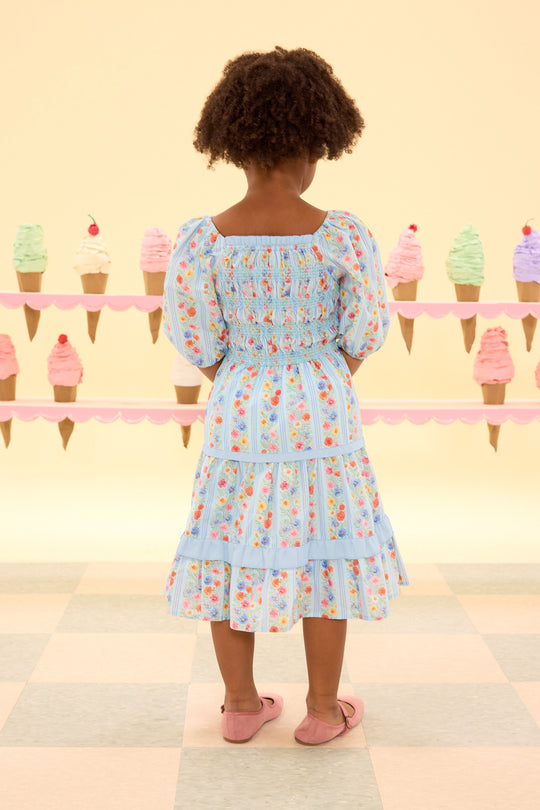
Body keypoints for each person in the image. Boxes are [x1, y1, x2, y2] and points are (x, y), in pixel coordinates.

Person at [162, 46, 410, 746]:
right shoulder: (342, 235)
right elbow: (365, 328)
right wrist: (316, 375)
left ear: (233, 143)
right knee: (325, 545)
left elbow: (197, 340)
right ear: (313, 141)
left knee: (231, 537)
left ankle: (241, 703)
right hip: (322, 401)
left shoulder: (203, 241)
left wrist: (249, 378)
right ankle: (323, 709)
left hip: (240, 399)